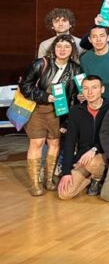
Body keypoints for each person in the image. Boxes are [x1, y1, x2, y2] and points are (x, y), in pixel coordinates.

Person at [21, 34, 81, 196]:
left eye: (67, 47)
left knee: (54, 143)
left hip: (59, 112)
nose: (62, 50)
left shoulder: (75, 69)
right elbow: (25, 86)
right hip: (37, 109)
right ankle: (35, 183)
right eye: (59, 46)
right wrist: (44, 96)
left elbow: (76, 96)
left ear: (72, 50)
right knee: (37, 142)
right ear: (53, 48)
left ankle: (48, 179)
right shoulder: (40, 64)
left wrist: (68, 120)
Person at [57, 75, 109, 199]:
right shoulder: (76, 111)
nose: (90, 92)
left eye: (94, 87)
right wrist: (66, 172)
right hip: (83, 158)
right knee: (64, 194)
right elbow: (70, 142)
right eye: (86, 88)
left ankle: (98, 179)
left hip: (105, 154)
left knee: (93, 163)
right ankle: (91, 178)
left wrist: (94, 149)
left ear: (102, 89)